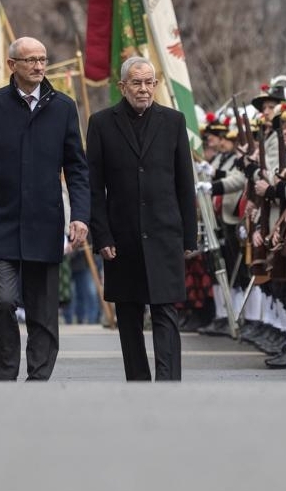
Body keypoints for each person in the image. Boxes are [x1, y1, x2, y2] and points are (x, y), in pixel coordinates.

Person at [0, 37, 90, 381]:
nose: (38, 66)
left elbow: (77, 168)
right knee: (3, 301)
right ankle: (6, 374)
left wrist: (80, 215)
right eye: (30, 60)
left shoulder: (63, 107)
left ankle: (38, 378)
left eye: (43, 59)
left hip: (45, 223)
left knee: (43, 311)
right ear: (12, 65)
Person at [87, 56, 196, 381]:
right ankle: (137, 381)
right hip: (122, 236)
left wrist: (189, 238)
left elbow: (184, 183)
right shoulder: (102, 123)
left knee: (165, 310)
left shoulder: (173, 121)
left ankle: (168, 381)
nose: (144, 89)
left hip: (165, 233)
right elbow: (94, 186)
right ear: (122, 86)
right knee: (129, 312)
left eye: (149, 82)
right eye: (136, 82)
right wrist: (102, 236)